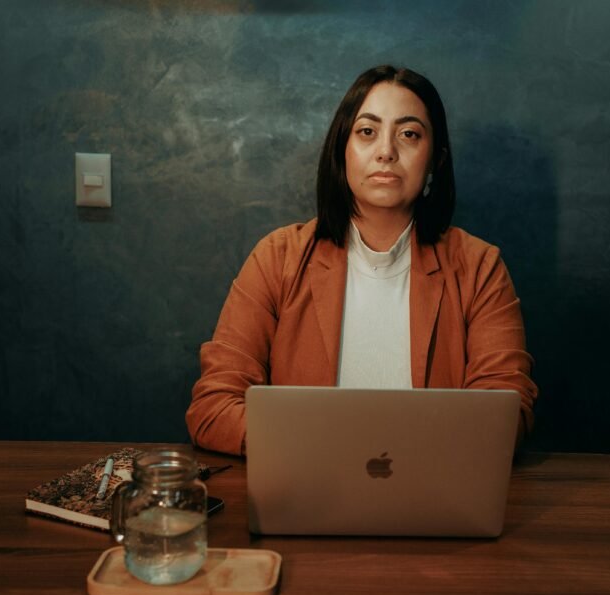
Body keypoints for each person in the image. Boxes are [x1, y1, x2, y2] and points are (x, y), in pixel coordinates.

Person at [186, 65, 538, 455]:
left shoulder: (479, 267)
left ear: (435, 160)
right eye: (367, 132)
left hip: (431, 505)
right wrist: (321, 448)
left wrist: (401, 453)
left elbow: (508, 411)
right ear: (342, 151)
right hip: (304, 496)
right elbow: (213, 407)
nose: (386, 151)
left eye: (409, 134)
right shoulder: (277, 258)